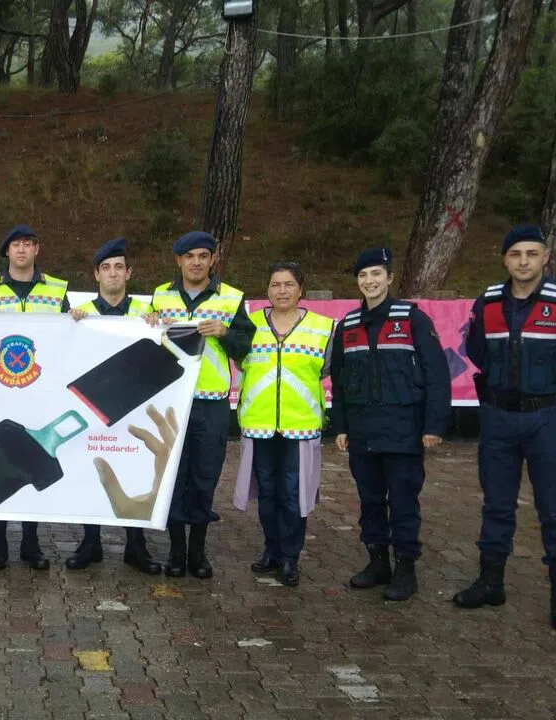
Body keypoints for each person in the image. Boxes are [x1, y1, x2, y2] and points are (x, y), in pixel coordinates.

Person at [456, 224, 556, 632]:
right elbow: (476, 350)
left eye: (532, 253)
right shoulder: (488, 301)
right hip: (499, 417)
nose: (524, 261)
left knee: (555, 509)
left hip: (549, 418)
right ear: (505, 260)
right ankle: (490, 582)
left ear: (546, 257)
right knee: (497, 504)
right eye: (515, 254)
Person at [332, 247, 450, 601]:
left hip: (403, 429)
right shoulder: (348, 325)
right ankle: (378, 561)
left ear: (389, 277)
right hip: (363, 430)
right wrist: (341, 426)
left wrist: (433, 426)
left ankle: (406, 568)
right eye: (363, 275)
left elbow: (437, 375)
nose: (369, 281)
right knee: (370, 501)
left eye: (376, 274)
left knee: (402, 501)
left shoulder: (413, 320)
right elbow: (339, 382)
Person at [149, 231, 254, 579]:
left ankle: (198, 550)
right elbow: (143, 341)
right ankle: (176, 550)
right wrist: (148, 324)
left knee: (204, 476)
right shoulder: (159, 297)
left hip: (211, 404)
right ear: (178, 260)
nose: (196, 262)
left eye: (203, 256)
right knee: (173, 476)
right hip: (171, 402)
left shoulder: (231, 298)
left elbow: (246, 348)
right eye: (189, 256)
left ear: (213, 260)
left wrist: (226, 333)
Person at [0, 224, 70, 570]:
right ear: (7, 252)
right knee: (3, 465)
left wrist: (77, 319)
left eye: (29, 244)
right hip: (0, 391)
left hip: (41, 391)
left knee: (34, 464)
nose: (23, 250)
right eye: (16, 245)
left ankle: (31, 542)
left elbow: (71, 336)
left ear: (36, 250)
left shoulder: (57, 290)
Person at [231, 262, 334, 587]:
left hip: (299, 425)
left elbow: (326, 369)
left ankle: (290, 557)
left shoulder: (322, 327)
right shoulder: (250, 325)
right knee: (267, 492)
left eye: (289, 284)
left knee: (293, 494)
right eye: (275, 284)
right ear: (267, 289)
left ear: (301, 289)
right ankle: (271, 550)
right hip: (259, 423)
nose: (282, 290)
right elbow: (239, 361)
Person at [66, 237, 162, 575]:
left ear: (129, 273)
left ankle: (136, 545)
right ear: (96, 275)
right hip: (94, 407)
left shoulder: (145, 314)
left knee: (135, 471)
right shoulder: (81, 313)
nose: (113, 274)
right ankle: (90, 542)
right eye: (106, 268)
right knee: (92, 471)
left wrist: (158, 326)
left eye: (119, 267)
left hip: (134, 406)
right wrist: (69, 325)